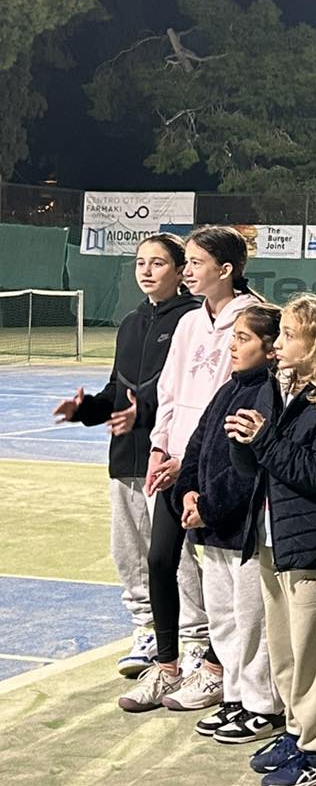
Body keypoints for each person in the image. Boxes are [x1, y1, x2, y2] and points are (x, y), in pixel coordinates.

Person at [117, 225, 262, 714]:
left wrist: (191, 461)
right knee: (161, 559)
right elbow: (171, 392)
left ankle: (217, 672)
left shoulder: (252, 318)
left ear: (226, 269)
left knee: (222, 574)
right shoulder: (188, 323)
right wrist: (160, 448)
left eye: (197, 263)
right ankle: (167, 666)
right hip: (175, 462)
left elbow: (231, 402)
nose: (189, 271)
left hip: (218, 467)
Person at [227, 293, 316, 786]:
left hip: (311, 545)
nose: (277, 344)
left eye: (288, 335)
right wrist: (244, 442)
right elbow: (266, 466)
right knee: (283, 649)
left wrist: (264, 440)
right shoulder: (288, 393)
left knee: (312, 654)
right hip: (275, 538)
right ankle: (296, 731)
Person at [53, 233, 198, 678]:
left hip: (168, 456)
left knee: (176, 557)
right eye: (140, 262)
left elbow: (186, 390)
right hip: (125, 457)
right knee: (129, 552)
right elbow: (118, 389)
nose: (146, 271)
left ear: (180, 271)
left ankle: (194, 638)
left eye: (158, 262)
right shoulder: (132, 323)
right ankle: (146, 631)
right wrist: (88, 410)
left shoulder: (193, 321)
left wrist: (144, 413)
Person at [173, 304, 286, 745]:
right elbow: (198, 444)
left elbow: (249, 471)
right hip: (214, 528)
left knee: (252, 620)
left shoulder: (269, 394)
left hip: (244, 532)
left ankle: (264, 706)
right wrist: (187, 492)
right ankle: (236, 696)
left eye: (244, 338)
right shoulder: (228, 388)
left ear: (271, 348)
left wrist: (211, 505)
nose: (232, 346)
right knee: (223, 618)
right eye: (232, 337)